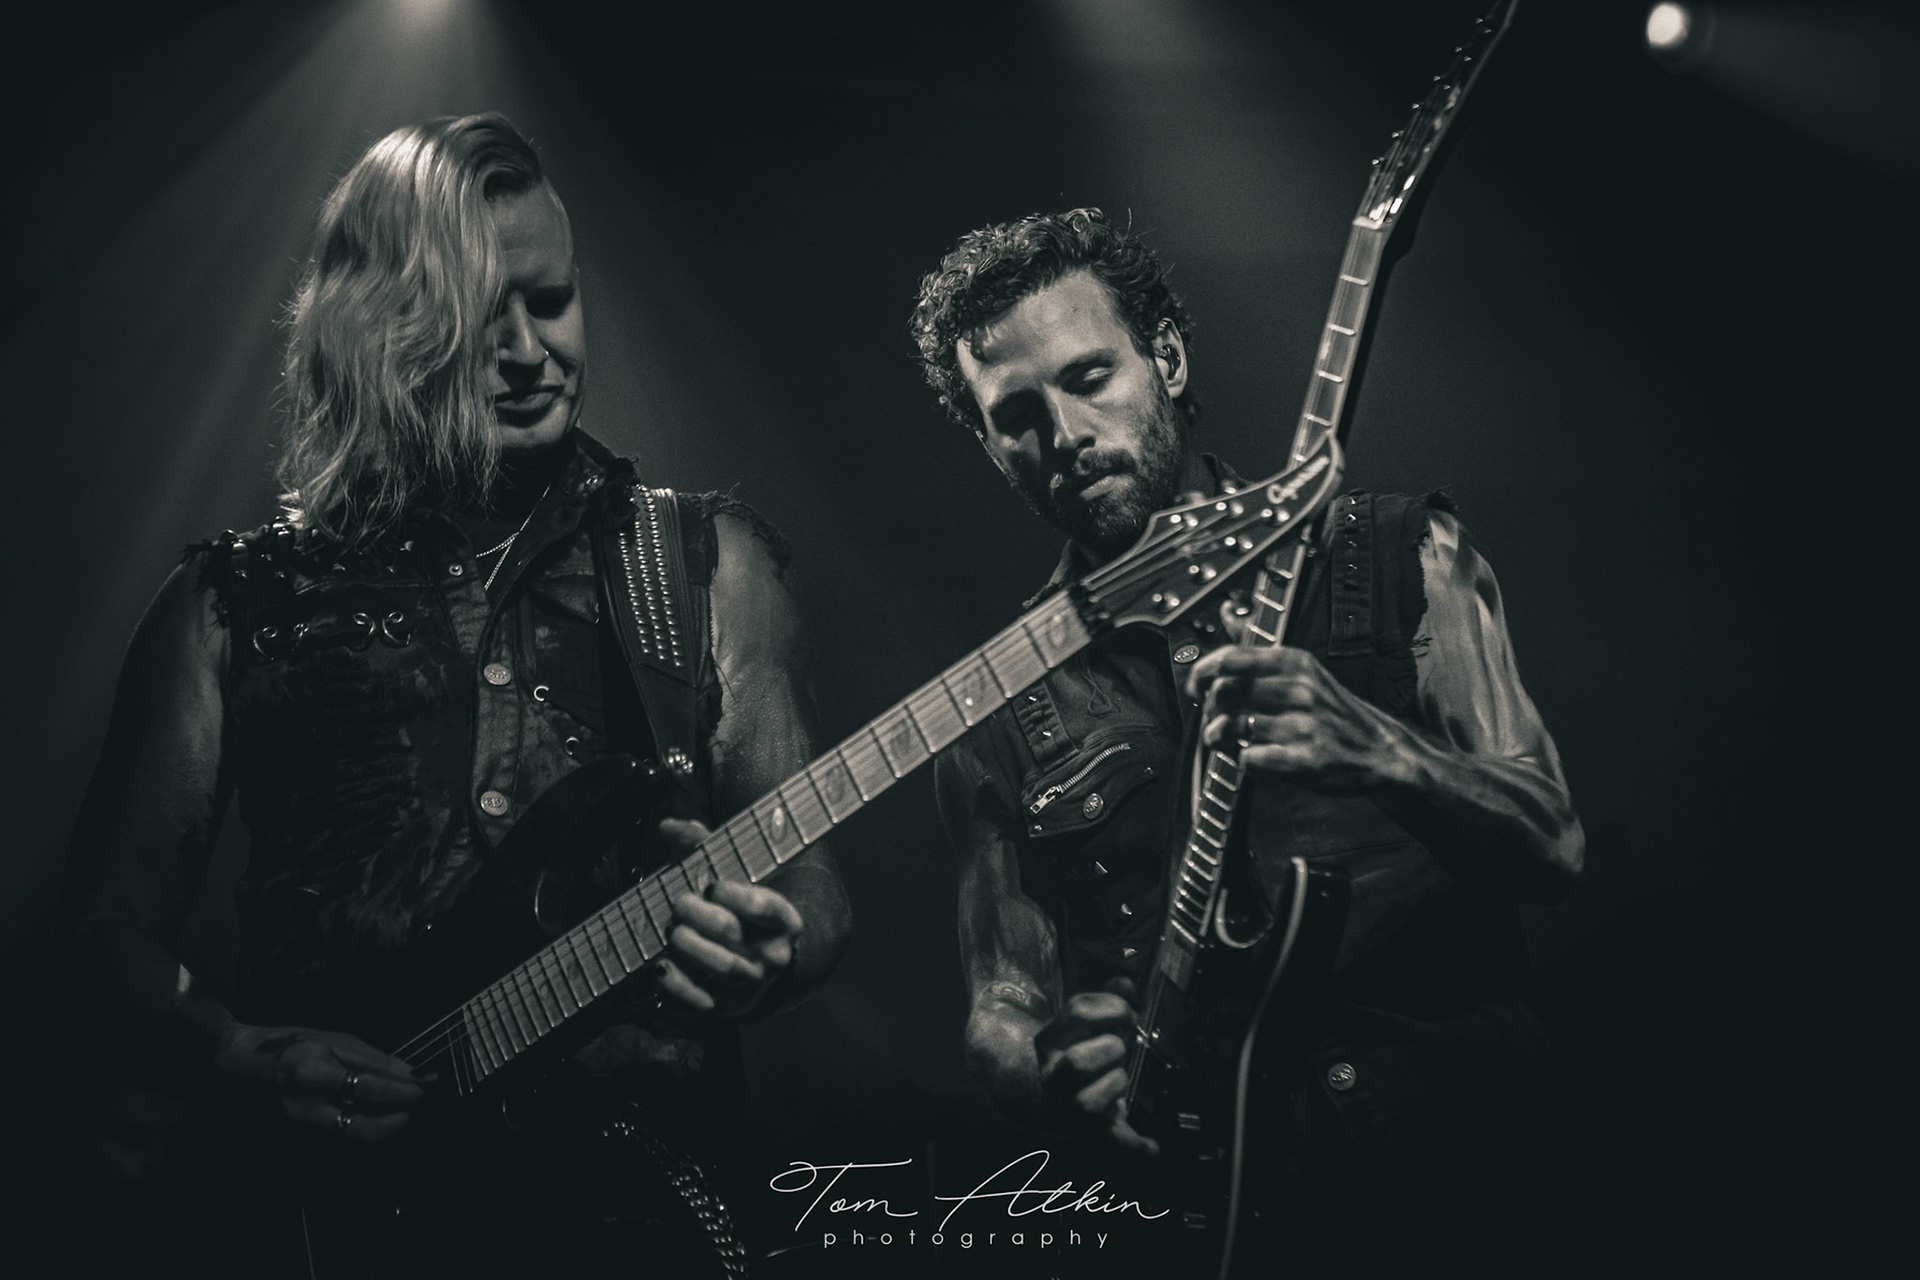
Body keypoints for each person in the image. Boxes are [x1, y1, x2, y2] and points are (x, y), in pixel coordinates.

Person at [58, 113, 850, 1277]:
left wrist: (777, 947)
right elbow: (101, 932)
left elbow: (808, 877)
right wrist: (239, 1055)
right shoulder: (226, 602)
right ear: (374, 326)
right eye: (482, 317)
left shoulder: (699, 564)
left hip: (638, 1214)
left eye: (552, 299)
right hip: (329, 1220)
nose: (531, 349)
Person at [911, 208, 1584, 1274]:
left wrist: (1384, 752)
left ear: (1168, 359)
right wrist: (1048, 1074)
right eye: (1017, 415)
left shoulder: (1403, 551)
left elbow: (1552, 839)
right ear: (989, 446)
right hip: (1218, 1215)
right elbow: (1002, 997)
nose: (1066, 435)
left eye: (1090, 377)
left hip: (1477, 1178)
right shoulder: (993, 703)